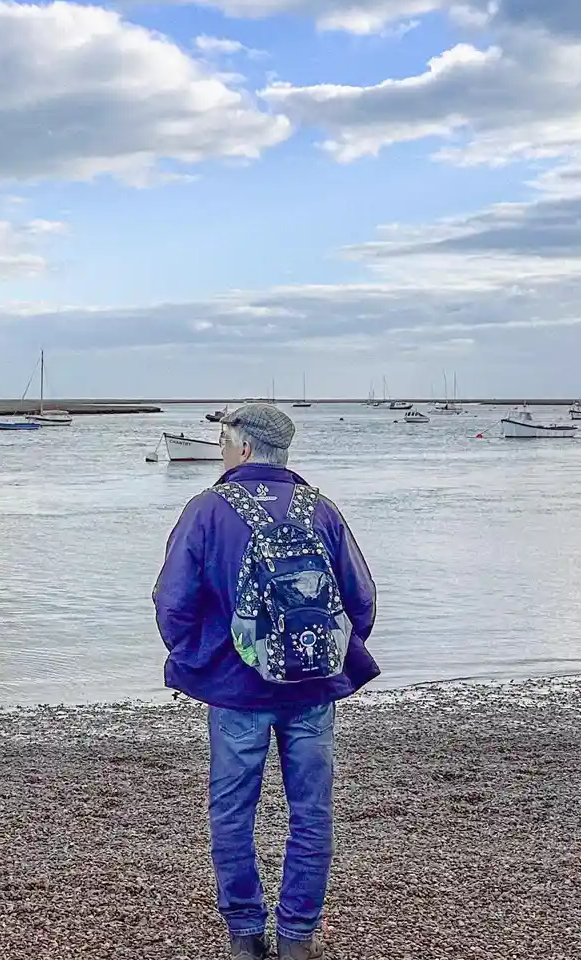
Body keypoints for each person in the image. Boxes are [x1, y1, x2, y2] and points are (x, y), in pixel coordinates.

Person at [152, 403, 380, 960]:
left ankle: (245, 935)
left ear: (246, 448)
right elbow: (362, 599)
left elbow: (172, 601)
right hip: (312, 689)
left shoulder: (207, 510)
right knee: (311, 812)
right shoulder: (320, 508)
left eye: (226, 440)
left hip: (236, 689)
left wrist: (200, 658)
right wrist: (329, 655)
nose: (223, 450)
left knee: (233, 810)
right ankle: (298, 939)